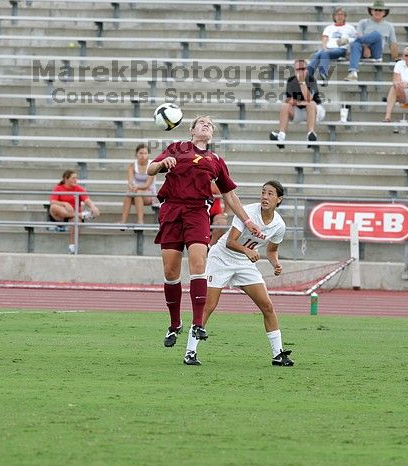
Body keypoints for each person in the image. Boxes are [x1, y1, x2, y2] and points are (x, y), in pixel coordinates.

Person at [146, 115, 264, 350]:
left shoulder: (216, 159)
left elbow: (229, 194)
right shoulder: (175, 148)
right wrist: (162, 163)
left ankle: (198, 323)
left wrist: (247, 220)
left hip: (198, 212)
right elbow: (150, 169)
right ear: (192, 130)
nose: (207, 125)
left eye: (210, 124)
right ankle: (174, 324)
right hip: (172, 210)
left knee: (198, 263)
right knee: (170, 271)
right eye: (202, 122)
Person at [183, 180, 293, 367]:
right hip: (222, 259)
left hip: (244, 264)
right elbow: (230, 242)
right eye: (263, 192)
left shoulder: (279, 225)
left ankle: (278, 354)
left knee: (267, 306)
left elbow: (271, 251)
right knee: (208, 306)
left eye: (270, 194)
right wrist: (248, 251)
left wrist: (276, 264)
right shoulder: (247, 212)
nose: (265, 197)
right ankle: (190, 352)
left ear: (279, 199)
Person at [270, 59, 324, 149]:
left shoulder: (311, 80)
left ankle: (311, 134)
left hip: (315, 111)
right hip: (299, 110)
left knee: (311, 104)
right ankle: (281, 136)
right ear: (294, 70)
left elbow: (309, 99)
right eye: (298, 69)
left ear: (307, 69)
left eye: (303, 69)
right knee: (285, 106)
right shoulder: (291, 81)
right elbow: (288, 100)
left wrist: (302, 82)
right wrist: (301, 102)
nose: (300, 71)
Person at [345, 0, 399, 81]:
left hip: (376, 52)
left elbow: (393, 43)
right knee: (355, 44)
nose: (377, 12)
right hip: (363, 51)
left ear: (384, 13)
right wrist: (366, 48)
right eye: (375, 10)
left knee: (376, 35)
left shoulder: (389, 26)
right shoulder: (363, 22)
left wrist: (395, 58)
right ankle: (353, 72)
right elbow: (359, 36)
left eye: (380, 10)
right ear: (371, 11)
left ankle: (350, 39)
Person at [49, 169, 100, 254]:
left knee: (76, 220)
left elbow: (86, 199)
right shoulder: (58, 188)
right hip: (61, 215)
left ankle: (72, 246)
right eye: (73, 178)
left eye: (76, 178)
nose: (75, 180)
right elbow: (52, 201)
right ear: (66, 179)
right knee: (53, 207)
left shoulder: (78, 188)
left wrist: (93, 207)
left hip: (73, 216)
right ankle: (82, 215)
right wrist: (65, 203)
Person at [307, 7, 356, 85]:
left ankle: (319, 74)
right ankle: (313, 75)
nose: (339, 16)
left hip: (341, 49)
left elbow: (356, 40)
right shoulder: (329, 28)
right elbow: (324, 39)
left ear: (345, 17)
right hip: (328, 48)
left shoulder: (350, 28)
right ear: (334, 17)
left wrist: (348, 43)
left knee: (321, 53)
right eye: (337, 15)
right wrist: (324, 47)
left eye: (341, 14)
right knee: (319, 53)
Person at [119, 143, 157, 225]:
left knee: (137, 193)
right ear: (136, 154)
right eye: (140, 153)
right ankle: (123, 221)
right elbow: (130, 182)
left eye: (145, 153)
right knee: (129, 194)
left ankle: (140, 221)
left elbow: (147, 185)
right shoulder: (132, 166)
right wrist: (132, 187)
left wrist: (136, 188)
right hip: (136, 192)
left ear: (148, 154)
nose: (143, 155)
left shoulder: (152, 166)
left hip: (149, 194)